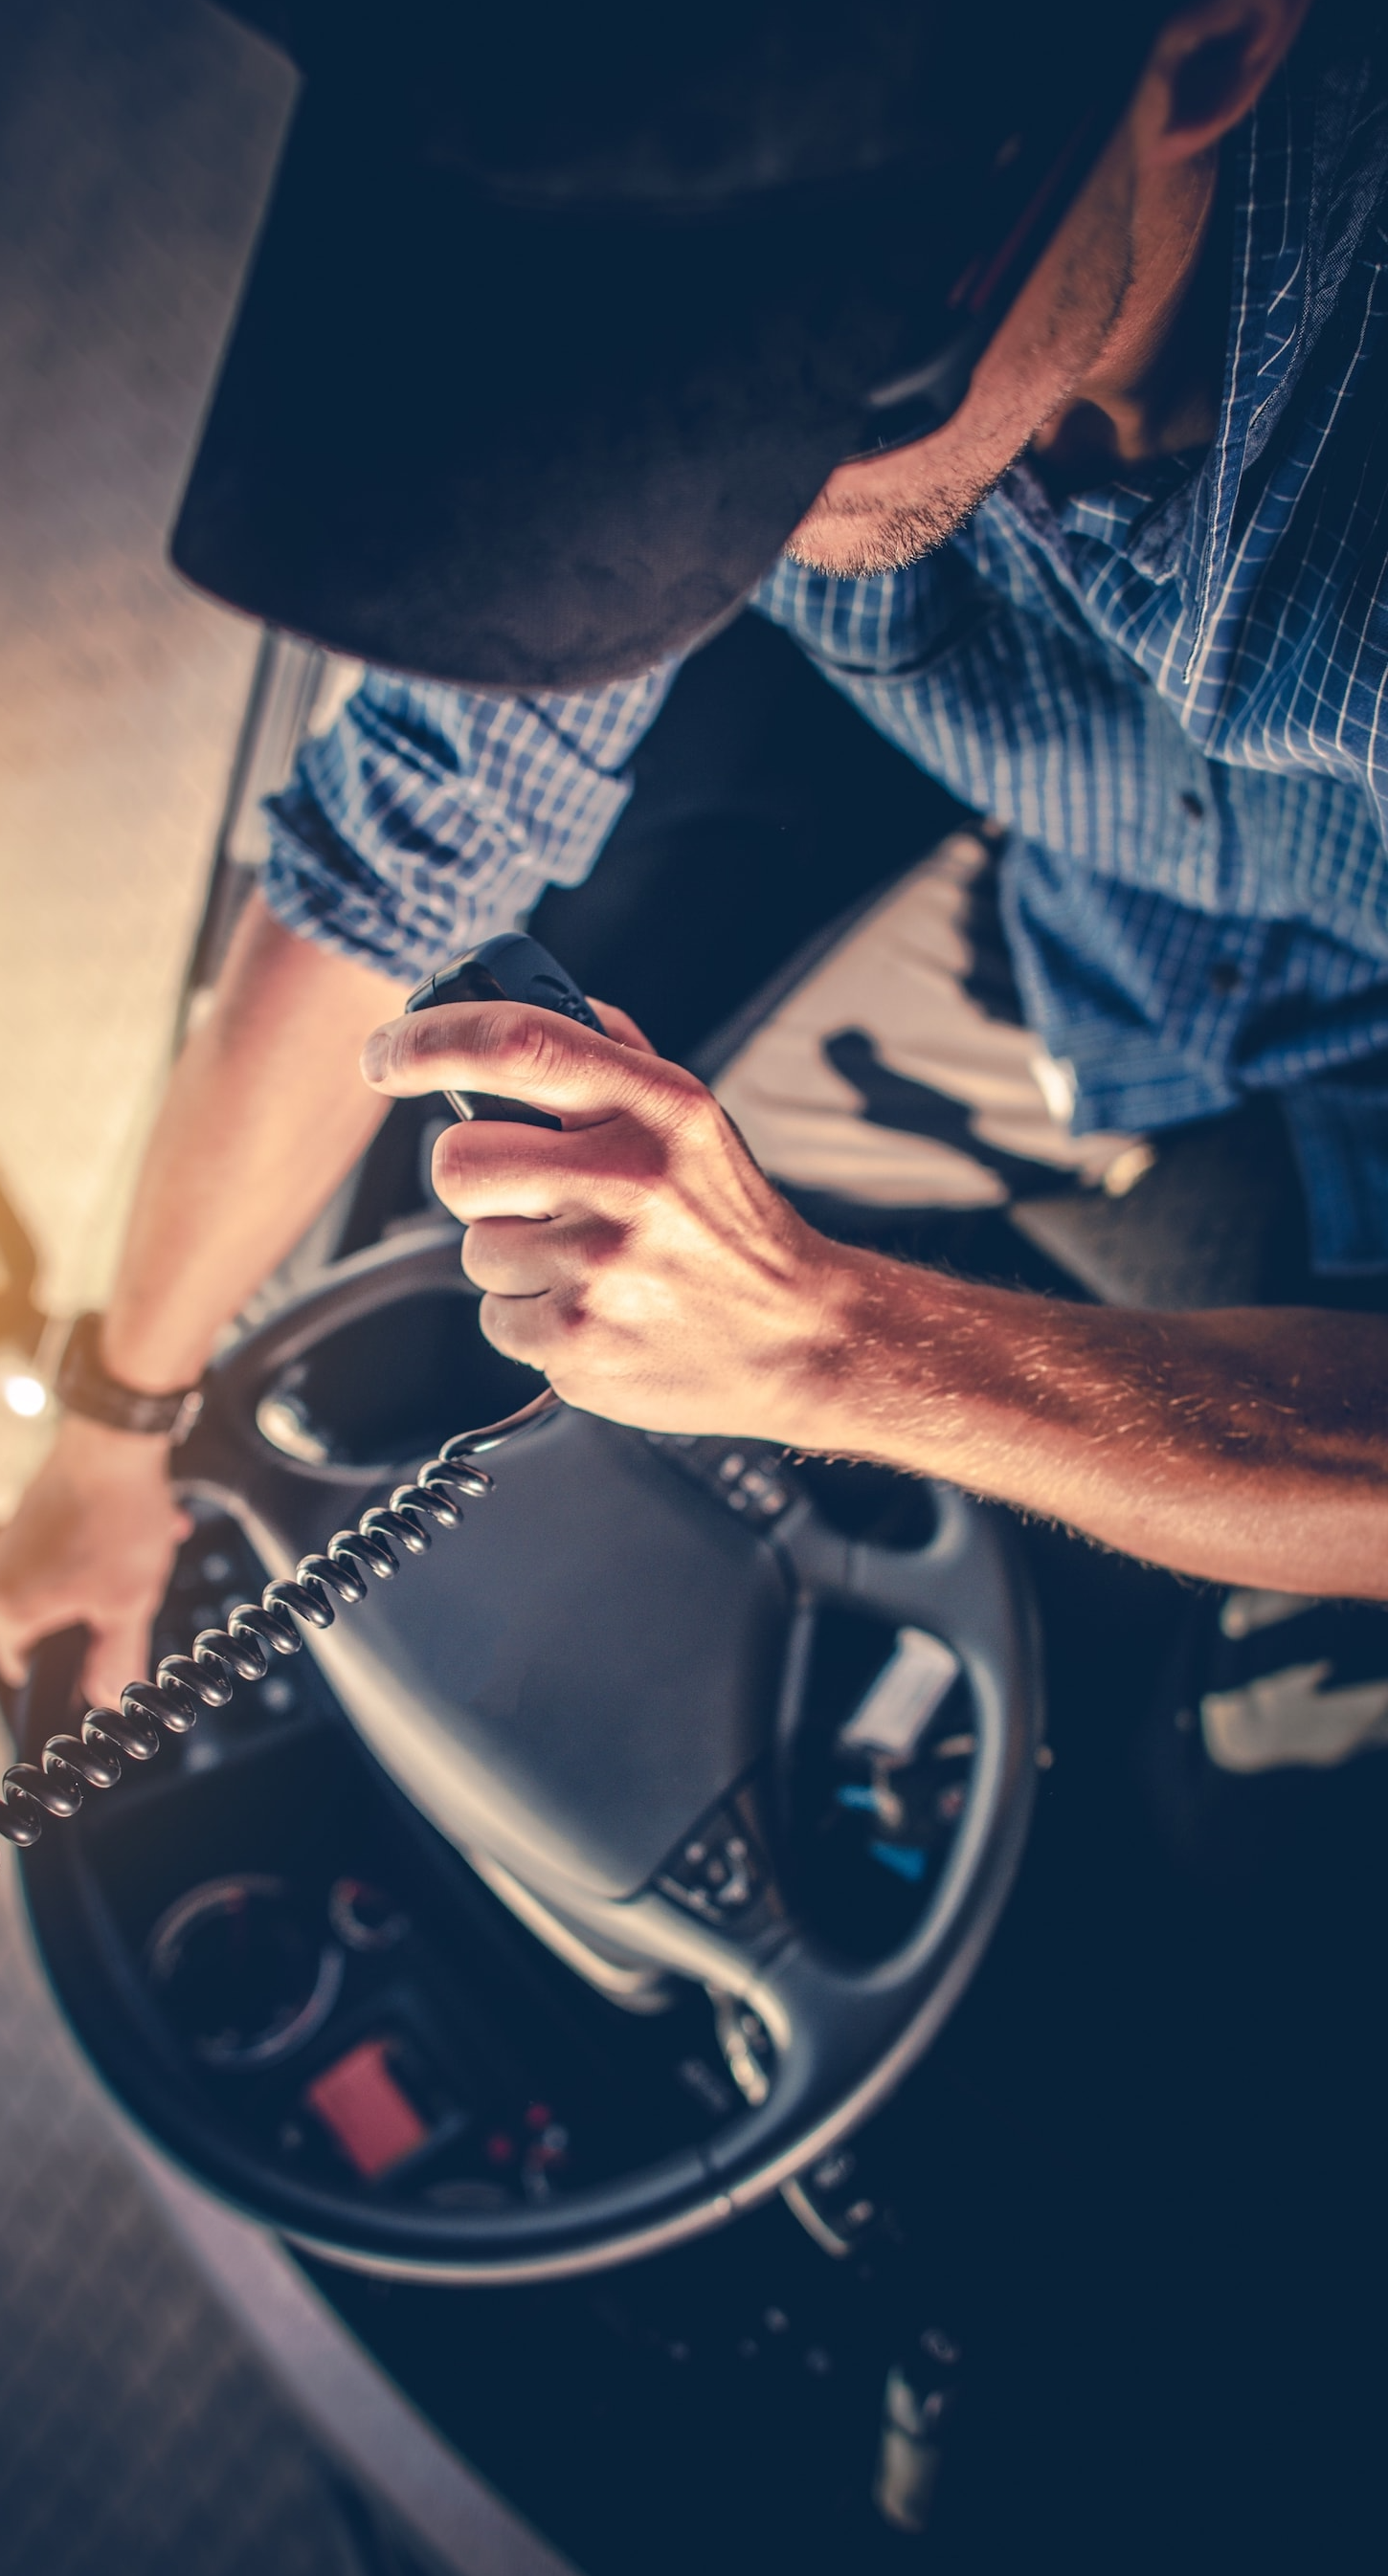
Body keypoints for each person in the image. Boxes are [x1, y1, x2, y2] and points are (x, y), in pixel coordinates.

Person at [2, 0, 1386, 1722]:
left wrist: (833, 1343)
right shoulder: (767, 258)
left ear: (1202, 55)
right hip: (1100, 963)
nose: (705, 489)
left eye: (795, 367)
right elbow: (401, 845)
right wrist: (116, 1430)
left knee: (1239, 1783)